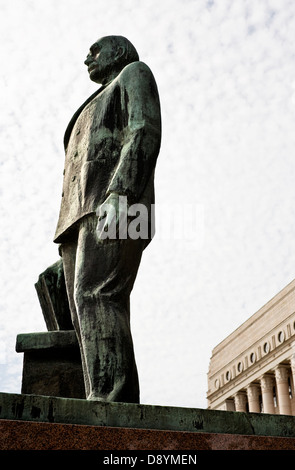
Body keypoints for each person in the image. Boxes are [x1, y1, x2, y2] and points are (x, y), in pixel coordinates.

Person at [53, 36, 161, 403]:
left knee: (98, 295)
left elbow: (143, 130)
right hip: (80, 216)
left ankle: (111, 402)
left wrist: (122, 192)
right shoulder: (97, 98)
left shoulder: (134, 73)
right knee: (83, 308)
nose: (87, 57)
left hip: (117, 203)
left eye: (95, 50)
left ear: (118, 51)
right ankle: (101, 396)